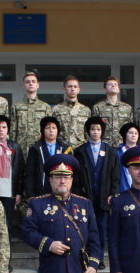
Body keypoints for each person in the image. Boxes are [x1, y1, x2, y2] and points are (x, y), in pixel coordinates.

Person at [74, 116, 119, 258]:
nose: (95, 132)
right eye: (93, 129)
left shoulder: (110, 151)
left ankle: (98, 257)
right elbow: (76, 175)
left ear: (102, 131)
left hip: (103, 196)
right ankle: (86, 255)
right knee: (85, 225)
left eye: (98, 129)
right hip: (85, 195)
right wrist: (77, 193)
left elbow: (115, 174)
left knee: (101, 227)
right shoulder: (80, 151)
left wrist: (113, 193)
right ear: (88, 131)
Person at [25, 115, 73, 198]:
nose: (51, 130)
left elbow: (70, 173)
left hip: (60, 192)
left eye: (54, 128)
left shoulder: (65, 149)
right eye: (47, 128)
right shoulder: (35, 149)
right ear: (43, 131)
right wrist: (30, 194)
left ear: (58, 131)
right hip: (40, 192)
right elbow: (30, 173)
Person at [11, 70, 52, 152]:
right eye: (27, 82)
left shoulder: (45, 107)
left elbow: (49, 130)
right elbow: (13, 131)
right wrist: (12, 149)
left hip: (40, 148)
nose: (31, 83)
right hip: (21, 149)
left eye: (33, 81)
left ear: (38, 85)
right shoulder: (16, 107)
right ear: (23, 86)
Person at [52, 75, 92, 148]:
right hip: (62, 148)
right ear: (64, 89)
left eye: (75, 87)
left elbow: (89, 133)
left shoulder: (86, 110)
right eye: (70, 86)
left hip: (80, 149)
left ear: (79, 89)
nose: (72, 89)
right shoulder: (56, 110)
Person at [92, 77, 133, 146]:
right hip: (104, 145)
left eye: (115, 84)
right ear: (105, 89)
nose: (113, 85)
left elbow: (131, 128)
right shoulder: (98, 107)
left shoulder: (127, 108)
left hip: (122, 145)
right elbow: (94, 128)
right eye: (110, 84)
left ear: (118, 89)